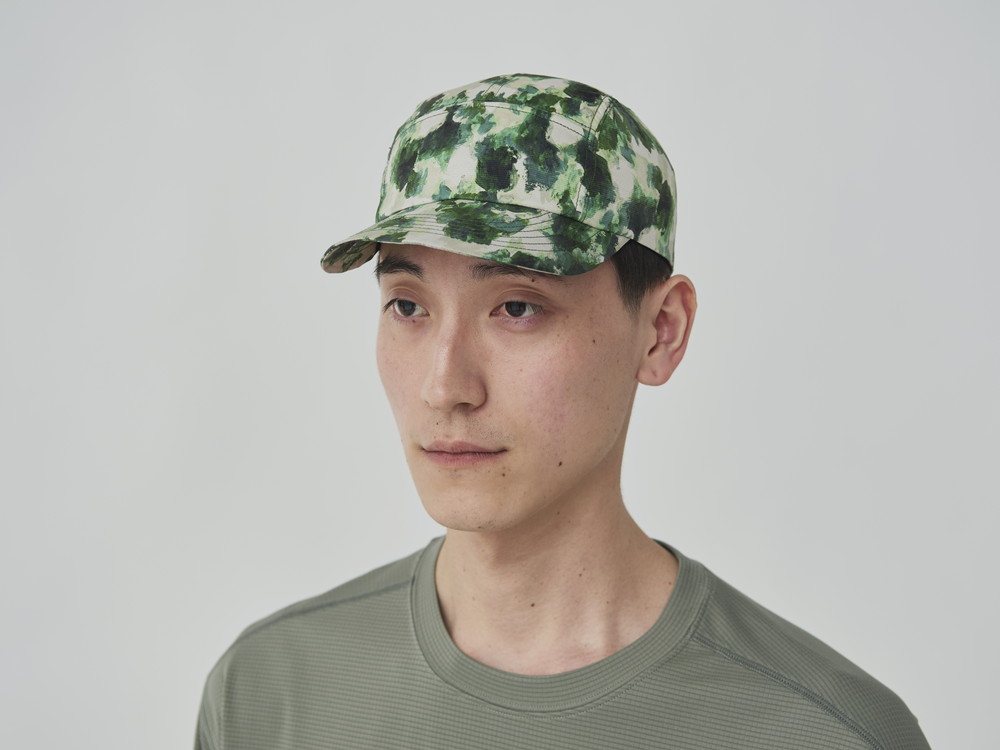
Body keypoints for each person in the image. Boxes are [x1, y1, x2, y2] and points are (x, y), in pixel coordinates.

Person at [195, 73, 930, 749]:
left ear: (661, 331)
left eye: (517, 307)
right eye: (408, 306)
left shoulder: (824, 731)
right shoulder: (269, 692)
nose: (444, 386)